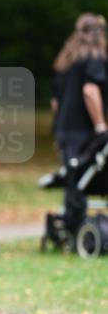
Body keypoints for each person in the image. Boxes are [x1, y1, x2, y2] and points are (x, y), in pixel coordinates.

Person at [51, 13, 107, 225]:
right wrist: (100, 125)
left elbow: (55, 103)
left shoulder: (66, 60)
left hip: (64, 129)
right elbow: (90, 91)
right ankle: (81, 227)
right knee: (85, 178)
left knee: (74, 180)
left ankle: (71, 225)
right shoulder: (94, 57)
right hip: (83, 131)